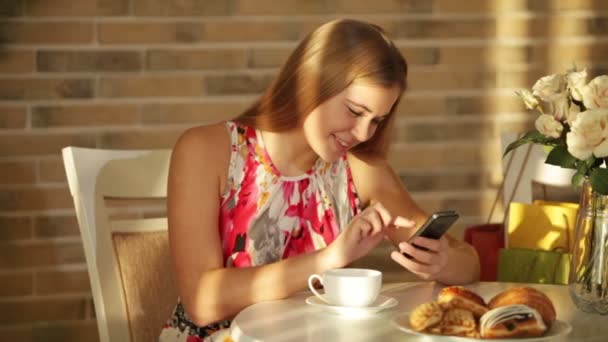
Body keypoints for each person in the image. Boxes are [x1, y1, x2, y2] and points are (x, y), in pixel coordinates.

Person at [159, 18, 480, 342]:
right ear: (309, 84)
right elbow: (201, 302)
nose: (363, 133)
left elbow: (470, 264)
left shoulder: (361, 169)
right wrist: (329, 259)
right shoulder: (207, 150)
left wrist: (442, 262)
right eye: (355, 111)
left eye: (377, 120)